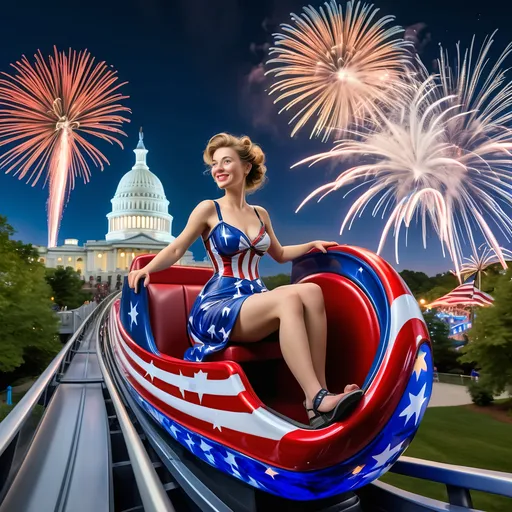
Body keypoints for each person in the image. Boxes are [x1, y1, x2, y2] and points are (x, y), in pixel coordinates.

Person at [128, 133, 362, 428]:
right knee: (289, 298)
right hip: (218, 305)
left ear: (246, 167)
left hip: (254, 297)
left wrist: (310, 244)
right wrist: (149, 268)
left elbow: (278, 253)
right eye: (215, 164)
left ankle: (319, 399)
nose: (218, 168)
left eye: (226, 161)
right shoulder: (208, 209)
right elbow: (177, 248)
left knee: (312, 291)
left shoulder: (260, 214)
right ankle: (315, 398)